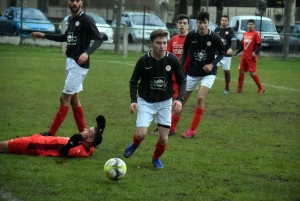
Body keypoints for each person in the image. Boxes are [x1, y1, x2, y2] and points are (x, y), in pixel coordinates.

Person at [30, 0, 103, 136]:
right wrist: (44, 35)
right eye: (72, 0)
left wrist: (86, 53)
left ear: (81, 2)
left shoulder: (86, 19)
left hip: (79, 65)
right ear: (68, 2)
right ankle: (84, 133)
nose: (74, 3)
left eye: (77, 0)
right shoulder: (70, 19)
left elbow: (99, 38)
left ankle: (51, 133)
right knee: (74, 100)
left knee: (64, 98)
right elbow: (65, 37)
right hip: (70, 62)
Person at [123, 29, 186, 168]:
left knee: (163, 138)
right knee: (141, 135)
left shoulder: (172, 60)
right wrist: (133, 100)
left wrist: (180, 99)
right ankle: (135, 144)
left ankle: (156, 158)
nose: (162, 46)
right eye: (158, 43)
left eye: (164, 43)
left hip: (165, 102)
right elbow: (133, 81)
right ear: (151, 44)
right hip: (146, 101)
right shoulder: (143, 61)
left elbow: (182, 80)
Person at [171, 11, 225, 139]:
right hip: (193, 72)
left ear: (208, 23)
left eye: (204, 23)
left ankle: (192, 131)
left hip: (208, 73)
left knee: (200, 98)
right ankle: (172, 128)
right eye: (200, 23)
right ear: (196, 23)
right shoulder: (191, 36)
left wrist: (212, 64)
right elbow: (185, 50)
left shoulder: (214, 37)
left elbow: (222, 52)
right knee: (181, 101)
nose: (202, 25)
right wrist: (181, 65)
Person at [151, 14, 190, 136]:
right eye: (180, 23)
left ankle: (171, 128)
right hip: (170, 76)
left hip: (184, 76)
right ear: (177, 25)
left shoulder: (191, 39)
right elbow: (166, 56)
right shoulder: (173, 40)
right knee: (166, 101)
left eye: (184, 23)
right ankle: (165, 127)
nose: (182, 25)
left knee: (177, 102)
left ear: (188, 25)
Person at [0, 115, 106, 158]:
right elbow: (94, 143)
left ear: (89, 139)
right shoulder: (89, 147)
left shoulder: (78, 149)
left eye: (88, 130)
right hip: (39, 140)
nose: (84, 129)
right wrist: (100, 129)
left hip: (33, 145)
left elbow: (62, 152)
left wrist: (70, 145)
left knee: (2, 146)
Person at [234, 19, 265, 94]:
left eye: (251, 24)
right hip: (244, 56)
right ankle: (239, 89)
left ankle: (261, 88)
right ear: (247, 25)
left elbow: (259, 45)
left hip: (251, 57)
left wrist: (255, 52)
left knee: (252, 73)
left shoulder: (256, 34)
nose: (250, 26)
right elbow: (243, 45)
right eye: (249, 24)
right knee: (241, 71)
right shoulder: (245, 34)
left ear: (254, 25)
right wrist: (237, 52)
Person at [214, 15, 237, 94]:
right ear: (220, 21)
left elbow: (234, 41)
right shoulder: (217, 29)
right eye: (222, 20)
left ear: (228, 21)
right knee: (212, 69)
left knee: (226, 71)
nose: (224, 21)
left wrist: (231, 48)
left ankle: (227, 88)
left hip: (226, 55)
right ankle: (207, 85)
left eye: (225, 20)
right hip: (217, 54)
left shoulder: (230, 30)